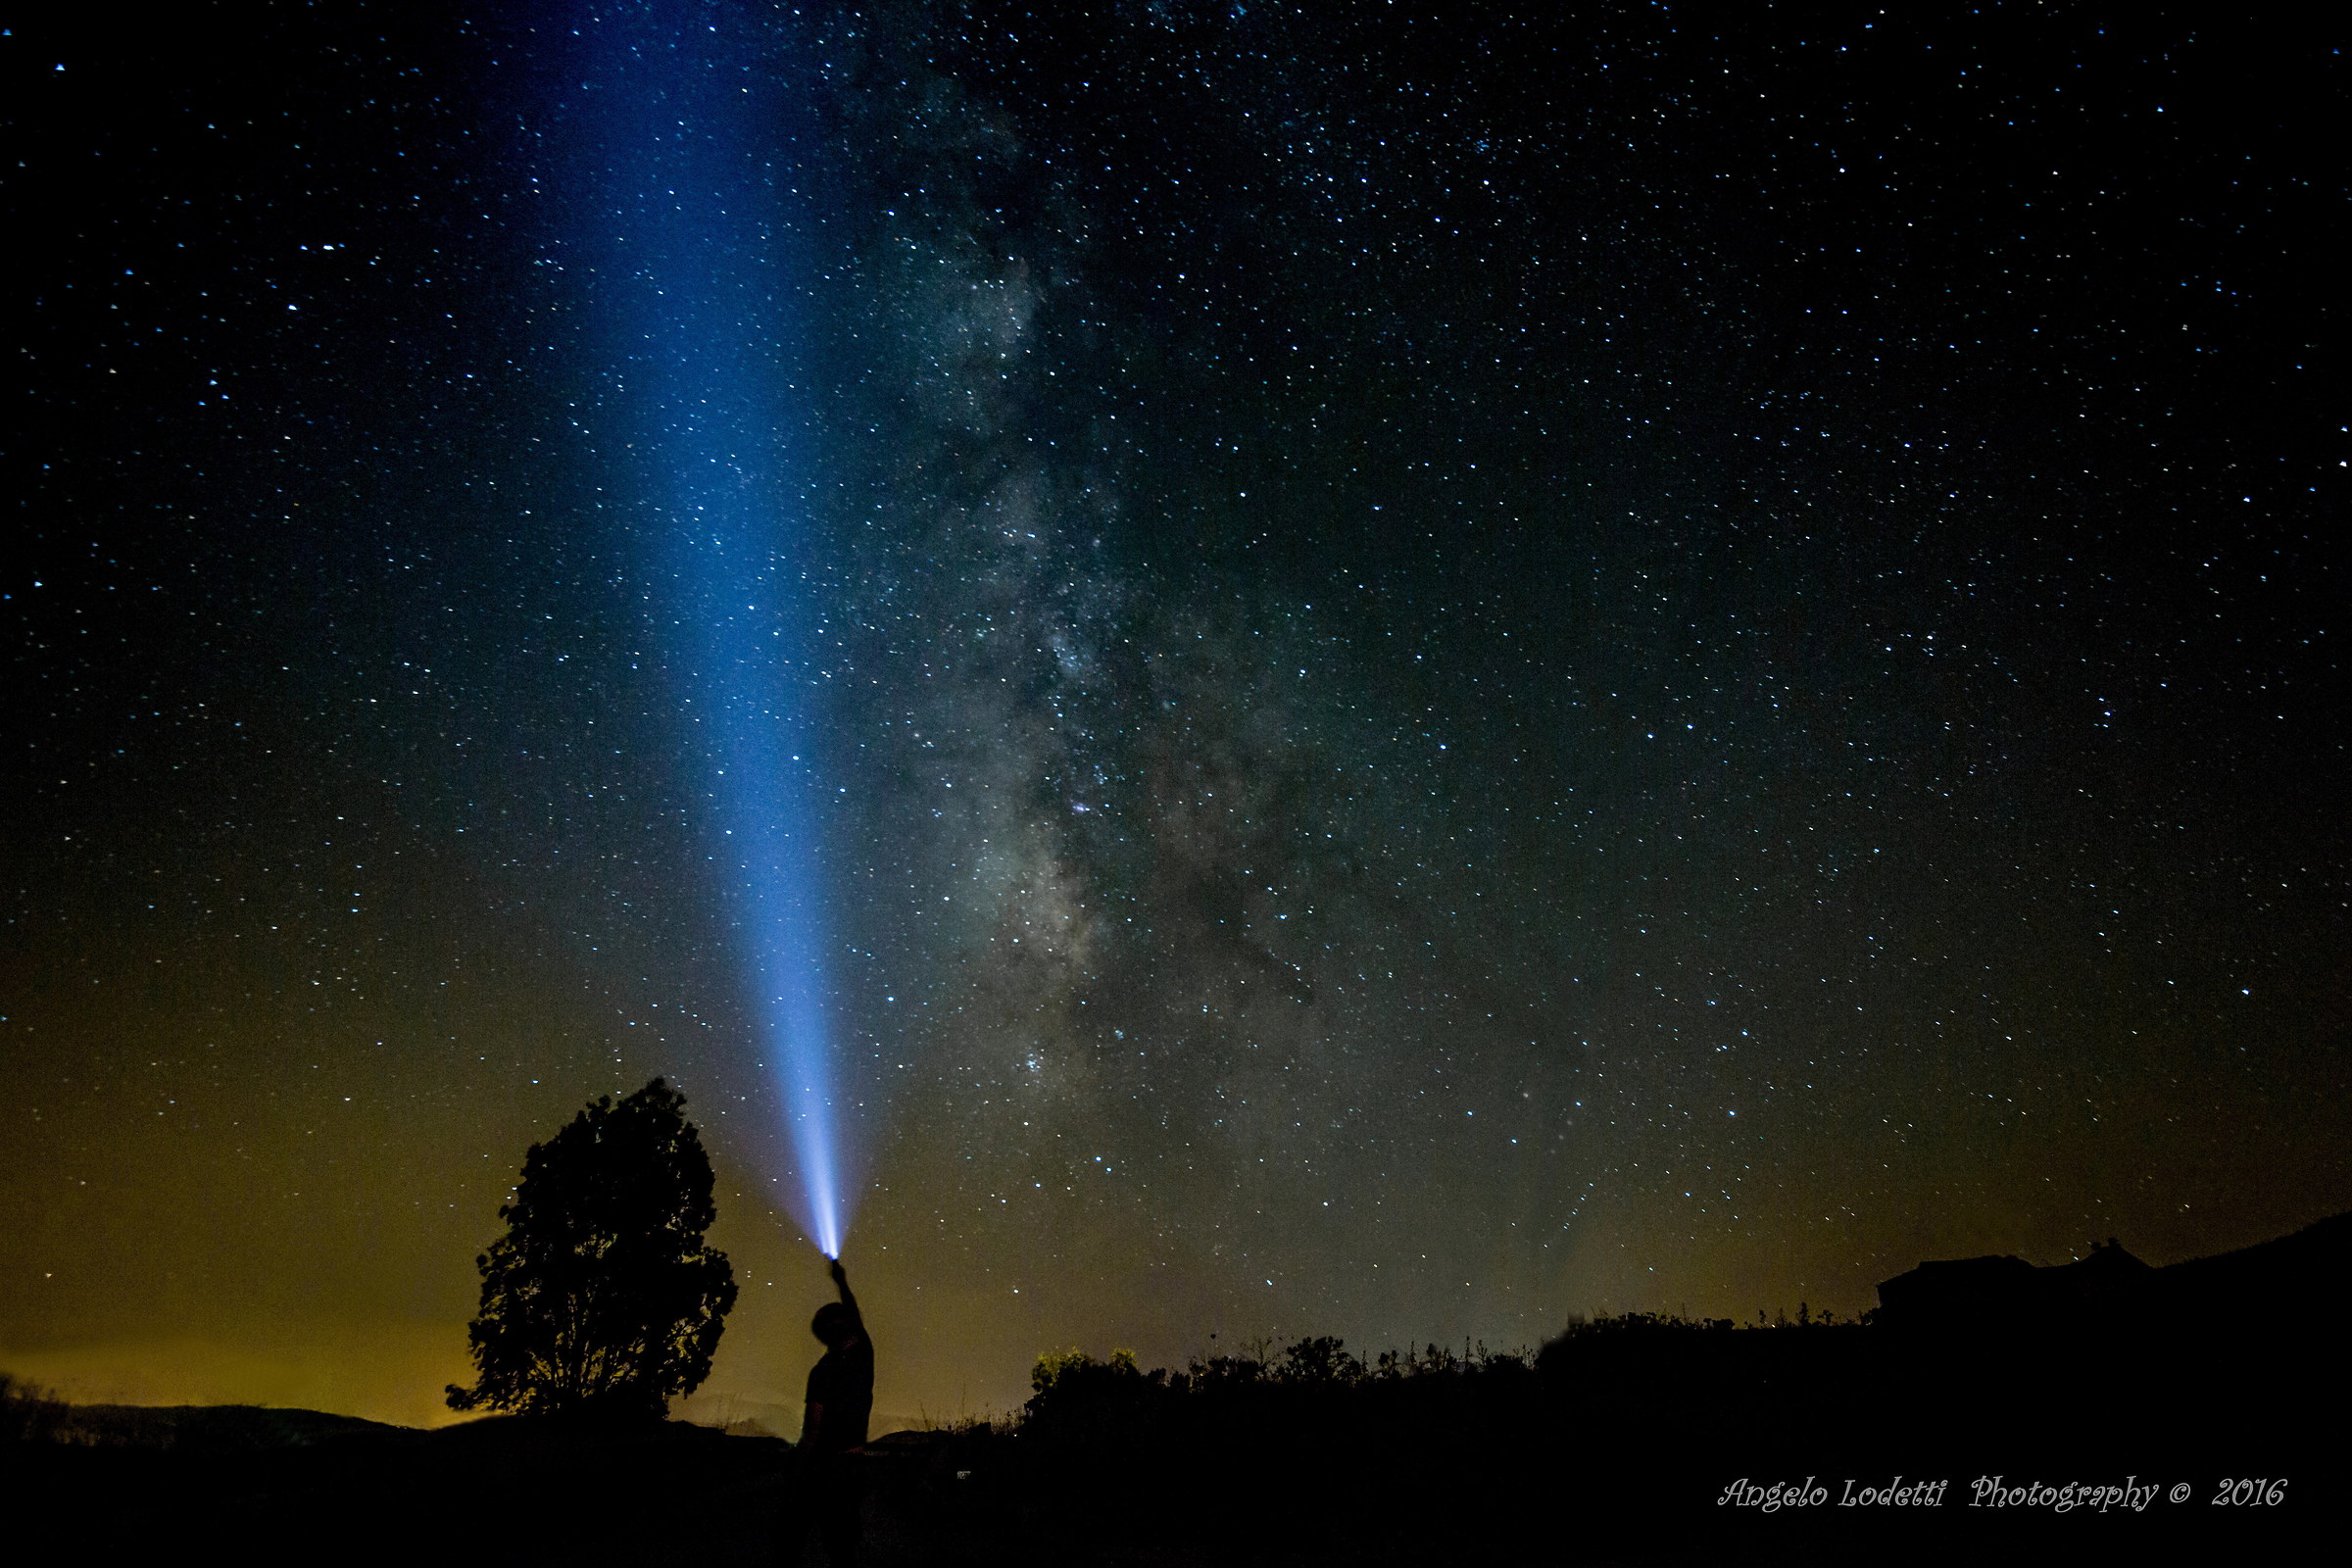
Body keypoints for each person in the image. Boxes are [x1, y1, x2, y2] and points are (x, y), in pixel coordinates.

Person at [798, 1257, 872, 1565]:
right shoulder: (863, 1355)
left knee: (807, 1534)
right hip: (853, 1461)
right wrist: (841, 1281)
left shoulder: (821, 1372)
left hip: (824, 1464)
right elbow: (855, 1316)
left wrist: (800, 1464)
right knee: (844, 1540)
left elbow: (813, 1429)